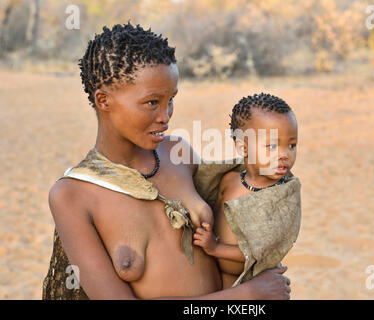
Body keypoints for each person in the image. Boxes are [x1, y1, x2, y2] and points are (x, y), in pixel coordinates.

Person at [43, 23, 290, 300]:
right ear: (103, 100)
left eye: (170, 99)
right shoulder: (73, 195)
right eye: (152, 102)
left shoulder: (178, 154)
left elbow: (238, 212)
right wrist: (247, 296)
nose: (166, 116)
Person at [193, 93, 301, 289]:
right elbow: (214, 215)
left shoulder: (280, 198)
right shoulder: (228, 181)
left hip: (252, 282)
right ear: (243, 147)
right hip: (215, 274)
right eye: (273, 146)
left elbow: (260, 252)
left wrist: (216, 248)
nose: (285, 154)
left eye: (292, 145)